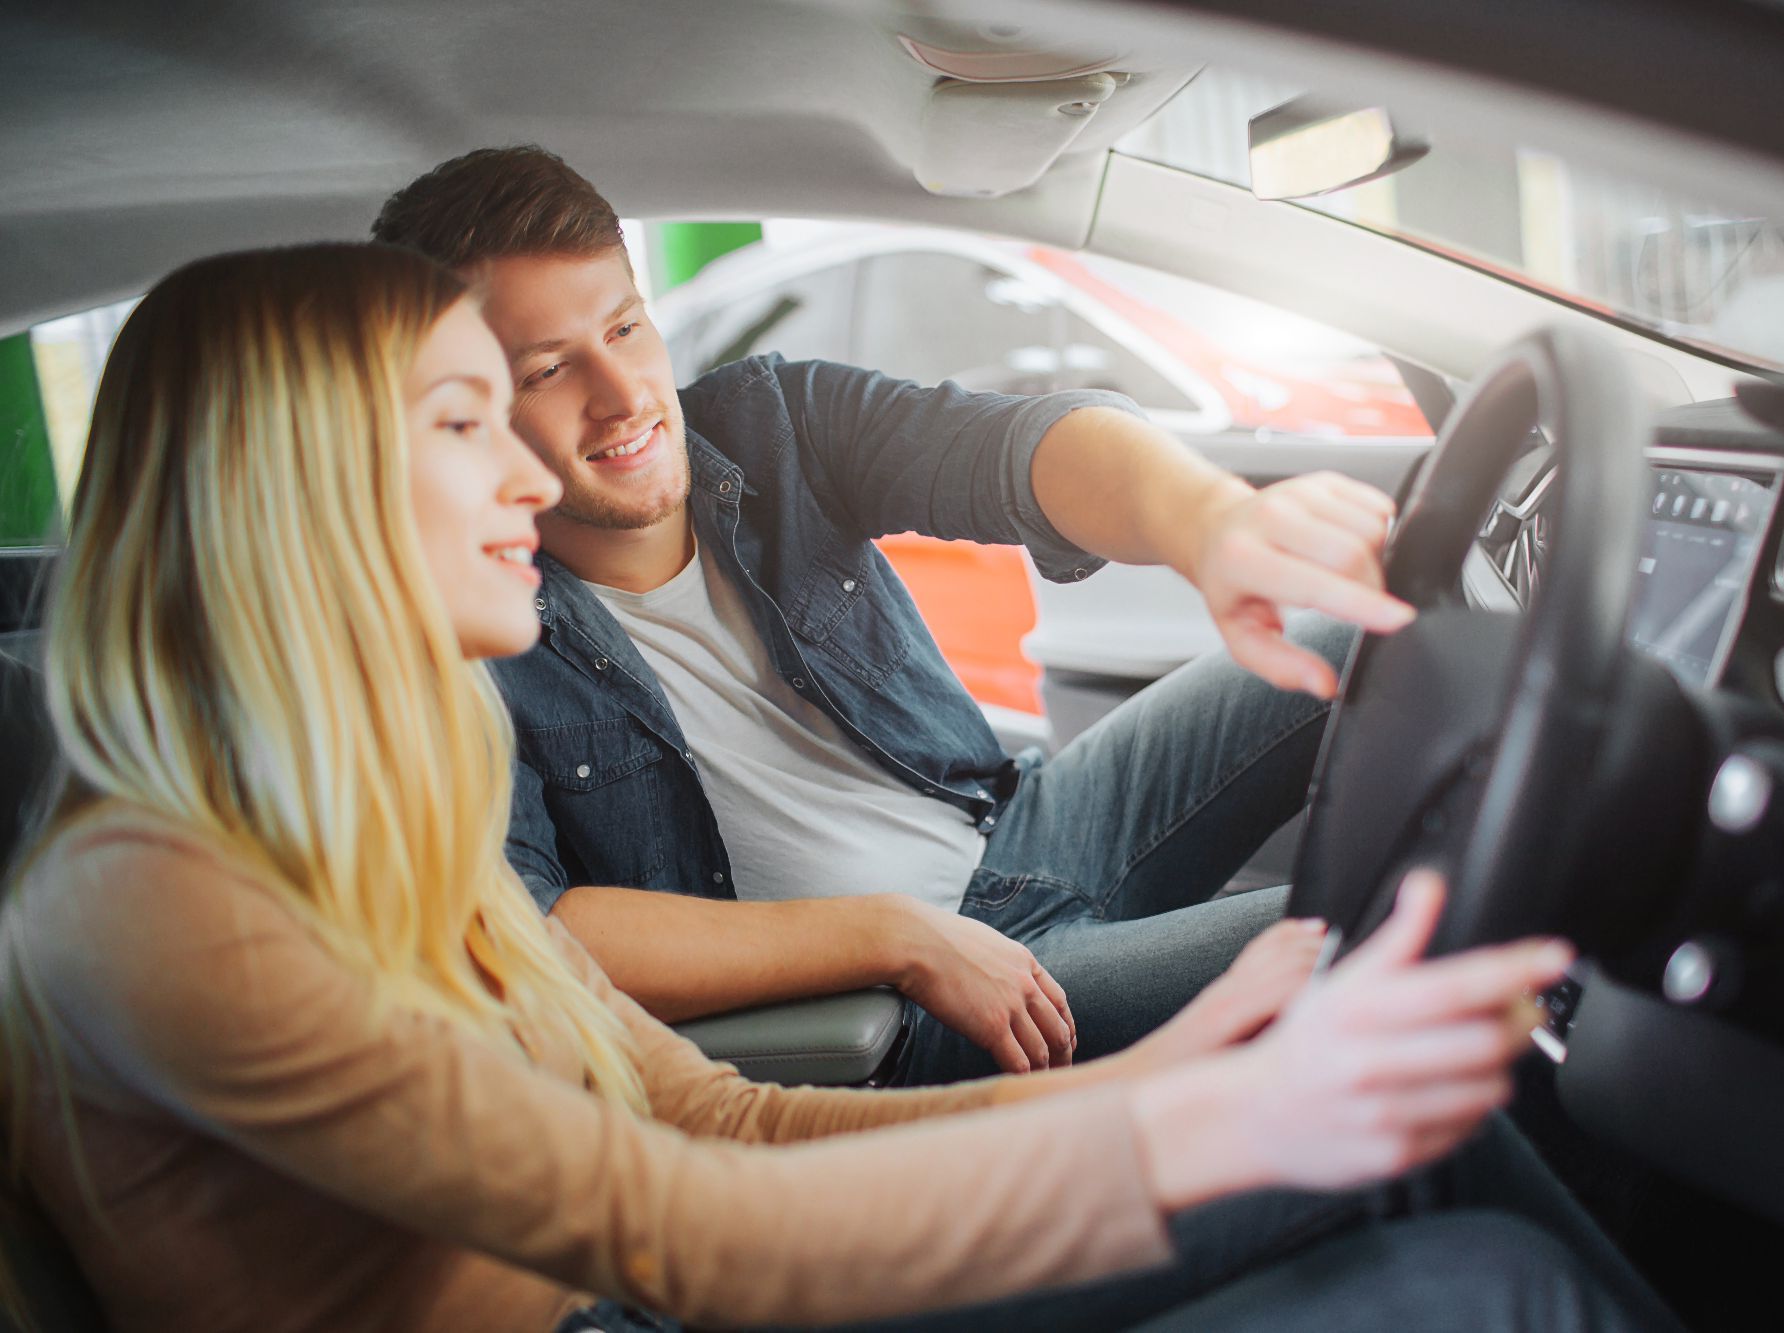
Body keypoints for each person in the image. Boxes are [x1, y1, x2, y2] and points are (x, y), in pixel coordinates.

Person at [0, 243, 1670, 1333]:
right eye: (467, 419)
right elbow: (678, 1228)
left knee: (1411, 1160)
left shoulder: (367, 831)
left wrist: (1164, 1070)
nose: (533, 462)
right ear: (297, 480)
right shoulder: (159, 896)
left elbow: (720, 1120)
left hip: (704, 1251)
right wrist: (1203, 1121)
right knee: (1468, 1249)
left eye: (611, 339)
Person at [370, 147, 1418, 1084]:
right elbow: (533, 929)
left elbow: (1021, 451)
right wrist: (893, 937)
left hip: (1023, 829)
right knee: (1397, 940)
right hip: (906, 1006)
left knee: (1390, 628)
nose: (622, 393)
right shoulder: (463, 617)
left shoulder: (771, 423)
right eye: (548, 370)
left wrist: (1210, 522)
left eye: (626, 328)